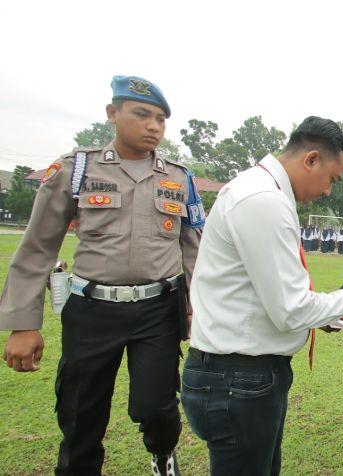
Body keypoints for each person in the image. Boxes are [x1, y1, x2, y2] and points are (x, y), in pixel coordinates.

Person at [0, 75, 203, 475]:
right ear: (113, 114)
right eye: (142, 115)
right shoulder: (75, 170)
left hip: (158, 311)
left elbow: (195, 251)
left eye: (161, 119)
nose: (153, 127)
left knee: (157, 406)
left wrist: (201, 309)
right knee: (80, 410)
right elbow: (39, 246)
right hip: (92, 310)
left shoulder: (179, 178)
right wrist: (23, 324)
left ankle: (163, 455)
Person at [181, 116, 343, 475]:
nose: (329, 191)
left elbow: (274, 297)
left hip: (243, 375)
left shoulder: (261, 192)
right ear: (311, 159)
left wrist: (329, 314)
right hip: (238, 379)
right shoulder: (262, 200)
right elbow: (291, 309)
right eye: (332, 178)